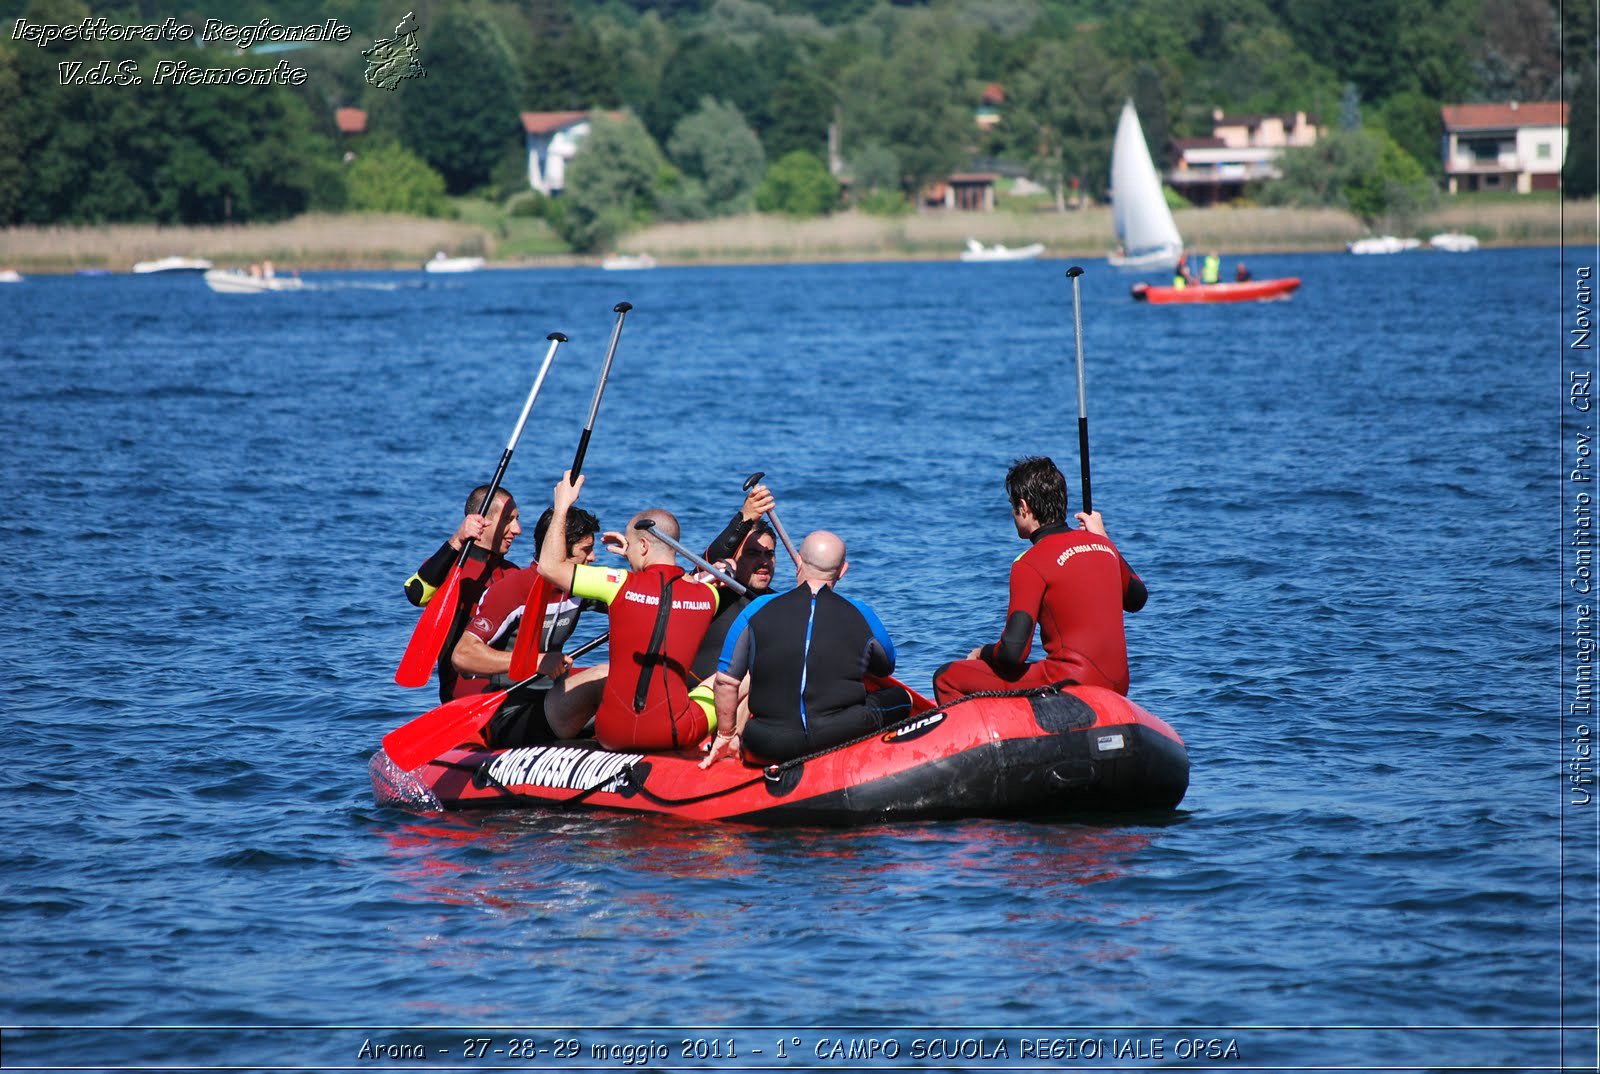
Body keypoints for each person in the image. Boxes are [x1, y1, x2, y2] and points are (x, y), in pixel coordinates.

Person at [931, 456, 1147, 704]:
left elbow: (1013, 653)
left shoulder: (1029, 563)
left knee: (947, 677)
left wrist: (983, 653)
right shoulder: (1104, 547)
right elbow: (1137, 598)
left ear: (1023, 507)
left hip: (1071, 683)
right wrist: (1105, 538)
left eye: (1013, 506)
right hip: (1118, 686)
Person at [536, 471, 721, 752]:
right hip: (673, 732)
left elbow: (548, 567)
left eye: (632, 547)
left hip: (612, 733)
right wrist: (638, 555)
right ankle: (729, 744)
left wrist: (562, 506)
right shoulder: (709, 596)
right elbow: (669, 590)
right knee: (730, 678)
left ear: (644, 546)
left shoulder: (617, 584)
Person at [701, 530, 911, 768]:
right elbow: (885, 668)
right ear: (843, 571)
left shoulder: (756, 608)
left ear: (798, 562)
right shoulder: (861, 613)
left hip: (765, 743)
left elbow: (726, 682)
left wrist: (726, 735)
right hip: (841, 735)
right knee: (900, 697)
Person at [449, 505, 606, 747]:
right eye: (586, 550)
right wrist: (536, 662)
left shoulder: (579, 588)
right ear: (559, 549)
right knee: (603, 675)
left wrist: (637, 560)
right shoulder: (513, 590)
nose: (593, 557)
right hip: (510, 711)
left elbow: (637, 599)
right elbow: (462, 655)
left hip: (553, 702)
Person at [403, 485, 521, 702]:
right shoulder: (452, 568)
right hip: (463, 692)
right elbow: (416, 594)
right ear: (482, 521)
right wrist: (457, 539)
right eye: (508, 519)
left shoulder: (513, 573)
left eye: (516, 519)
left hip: (512, 683)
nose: (517, 529)